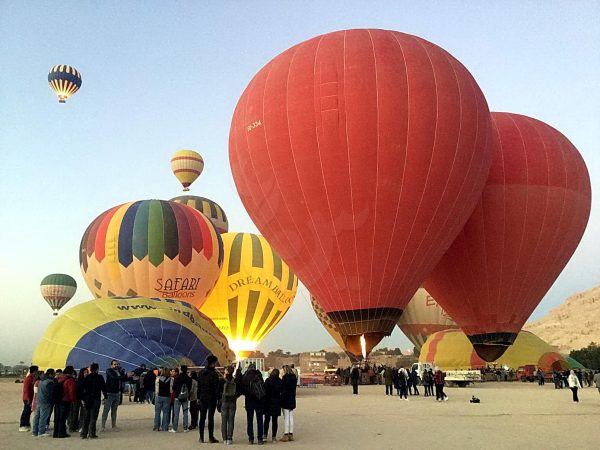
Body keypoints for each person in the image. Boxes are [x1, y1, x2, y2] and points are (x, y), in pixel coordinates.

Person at [197, 355, 221, 443]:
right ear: (213, 363)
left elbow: (198, 386)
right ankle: (211, 437)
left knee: (202, 417)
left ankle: (201, 437)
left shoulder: (201, 373)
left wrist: (198, 397)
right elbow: (216, 388)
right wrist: (218, 398)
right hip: (212, 398)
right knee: (210, 417)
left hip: (203, 397)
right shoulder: (214, 374)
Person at [80, 363, 106, 439]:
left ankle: (84, 434)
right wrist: (105, 396)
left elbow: (82, 389)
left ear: (90, 369)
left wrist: (83, 398)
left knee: (86, 416)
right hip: (96, 399)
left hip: (88, 399)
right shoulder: (100, 377)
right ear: (97, 369)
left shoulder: (87, 377)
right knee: (93, 417)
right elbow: (103, 387)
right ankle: (92, 433)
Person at [243, 362, 265, 445]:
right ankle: (260, 438)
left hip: (249, 401)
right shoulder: (258, 376)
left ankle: (251, 438)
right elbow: (263, 388)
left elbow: (243, 389)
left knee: (250, 420)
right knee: (259, 420)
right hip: (258, 401)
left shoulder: (245, 377)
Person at [101, 359, 126, 431]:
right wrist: (124, 375)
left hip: (117, 393)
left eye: (117, 364)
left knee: (114, 411)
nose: (116, 365)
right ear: (111, 365)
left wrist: (130, 376)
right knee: (106, 410)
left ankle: (114, 426)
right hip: (109, 393)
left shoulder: (120, 372)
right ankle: (103, 426)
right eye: (115, 364)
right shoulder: (109, 370)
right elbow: (114, 378)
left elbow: (123, 379)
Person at [54, 366, 77, 438]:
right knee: (63, 418)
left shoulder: (60, 378)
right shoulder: (70, 380)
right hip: (65, 401)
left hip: (58, 400)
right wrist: (73, 400)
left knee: (57, 418)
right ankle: (61, 433)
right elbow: (71, 391)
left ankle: (56, 433)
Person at [220, 365, 239, 445]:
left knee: (224, 421)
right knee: (231, 420)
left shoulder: (222, 380)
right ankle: (229, 438)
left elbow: (218, 391)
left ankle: (224, 438)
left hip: (224, 401)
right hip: (232, 402)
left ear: (227, 371)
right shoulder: (235, 380)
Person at [32, 369, 54, 437]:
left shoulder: (41, 381)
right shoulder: (49, 382)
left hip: (39, 400)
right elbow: (50, 393)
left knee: (37, 416)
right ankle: (41, 431)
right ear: (51, 374)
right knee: (43, 417)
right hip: (45, 401)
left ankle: (35, 431)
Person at [171, 364, 193, 433]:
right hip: (185, 398)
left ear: (181, 370)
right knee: (185, 413)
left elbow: (174, 387)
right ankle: (185, 428)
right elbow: (190, 388)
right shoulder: (189, 378)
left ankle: (175, 428)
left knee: (176, 413)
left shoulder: (177, 378)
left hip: (177, 397)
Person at [263, 368, 282, 442]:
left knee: (266, 420)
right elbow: (282, 392)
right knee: (275, 421)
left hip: (267, 402)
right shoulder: (279, 381)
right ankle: (274, 437)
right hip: (276, 402)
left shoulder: (268, 380)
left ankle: (265, 435)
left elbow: (264, 390)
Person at [280, 365, 297, 442]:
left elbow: (282, 390)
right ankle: (291, 433)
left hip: (285, 399)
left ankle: (286, 434)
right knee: (291, 417)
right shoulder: (294, 378)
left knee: (286, 417)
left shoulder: (285, 378)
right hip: (292, 398)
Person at [19, 365, 38, 432]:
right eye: (37, 371)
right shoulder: (28, 378)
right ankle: (22, 425)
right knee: (26, 411)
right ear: (35, 371)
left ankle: (26, 424)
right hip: (27, 398)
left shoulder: (33, 378)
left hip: (30, 397)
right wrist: (28, 399)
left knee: (29, 411)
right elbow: (26, 389)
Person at [69, 367, 88, 434]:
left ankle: (80, 426)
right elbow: (79, 391)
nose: (86, 374)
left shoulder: (86, 380)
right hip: (77, 399)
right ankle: (72, 427)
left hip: (81, 399)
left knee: (82, 413)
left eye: (87, 372)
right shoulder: (79, 381)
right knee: (75, 413)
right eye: (85, 372)